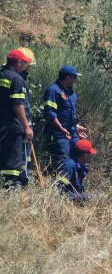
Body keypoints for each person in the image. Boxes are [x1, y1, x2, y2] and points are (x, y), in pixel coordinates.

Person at [0, 49, 35, 187]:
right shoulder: (17, 79)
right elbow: (18, 105)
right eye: (25, 64)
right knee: (13, 162)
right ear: (19, 62)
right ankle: (10, 189)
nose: (25, 67)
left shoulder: (2, 75)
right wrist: (26, 127)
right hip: (13, 127)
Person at [43, 64, 86, 167]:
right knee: (63, 160)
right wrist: (61, 129)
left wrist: (76, 127)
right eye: (74, 77)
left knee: (79, 155)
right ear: (68, 78)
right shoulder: (53, 90)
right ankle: (60, 182)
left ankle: (75, 181)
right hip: (58, 133)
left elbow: (71, 113)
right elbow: (49, 113)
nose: (75, 80)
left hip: (71, 132)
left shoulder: (72, 94)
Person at [18, 47, 35, 185]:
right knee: (21, 156)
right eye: (28, 68)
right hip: (20, 127)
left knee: (26, 156)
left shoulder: (21, 82)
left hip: (24, 126)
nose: (28, 72)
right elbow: (19, 105)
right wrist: (26, 126)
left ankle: (24, 179)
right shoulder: (17, 82)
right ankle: (20, 180)